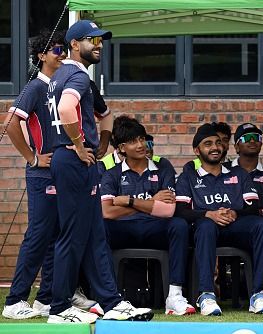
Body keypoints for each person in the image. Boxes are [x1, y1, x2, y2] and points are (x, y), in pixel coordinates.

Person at [46, 20, 152, 323]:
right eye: (92, 40)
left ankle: (111, 301)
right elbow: (67, 110)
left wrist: (103, 143)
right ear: (75, 44)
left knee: (94, 236)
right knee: (72, 236)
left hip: (76, 161)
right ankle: (59, 308)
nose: (99, 45)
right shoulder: (76, 75)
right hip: (72, 160)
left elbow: (105, 115)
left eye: (101, 40)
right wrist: (80, 145)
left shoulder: (65, 75)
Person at [174, 123, 263, 316]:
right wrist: (208, 214)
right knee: (205, 226)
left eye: (218, 143)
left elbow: (253, 206)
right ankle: (206, 295)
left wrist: (235, 213)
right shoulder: (188, 177)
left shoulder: (239, 173)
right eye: (208, 143)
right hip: (206, 231)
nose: (215, 147)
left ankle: (260, 294)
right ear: (197, 150)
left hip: (236, 227)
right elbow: (180, 211)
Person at [100, 116, 195, 315]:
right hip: (123, 228)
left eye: (142, 139)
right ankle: (109, 297)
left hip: (155, 228)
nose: (141, 145)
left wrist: (129, 200)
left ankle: (175, 295)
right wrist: (151, 202)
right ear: (122, 148)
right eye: (134, 141)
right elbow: (107, 211)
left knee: (178, 224)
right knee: (100, 227)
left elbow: (168, 209)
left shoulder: (163, 167)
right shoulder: (112, 173)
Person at [1, 29, 66, 320]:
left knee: (55, 235)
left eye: (64, 48)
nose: (62, 53)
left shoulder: (59, 86)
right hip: (42, 175)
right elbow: (11, 122)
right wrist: (32, 157)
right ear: (41, 56)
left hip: (60, 173)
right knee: (38, 236)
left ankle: (45, 298)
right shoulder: (36, 87)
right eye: (56, 49)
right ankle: (15, 300)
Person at [224, 123, 263, 215]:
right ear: (236, 147)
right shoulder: (223, 170)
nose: (252, 140)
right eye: (246, 138)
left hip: (259, 224)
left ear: (261, 144)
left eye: (256, 137)